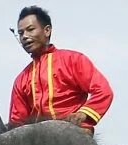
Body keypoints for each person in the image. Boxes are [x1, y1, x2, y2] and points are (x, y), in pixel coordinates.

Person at [9, 6, 113, 134]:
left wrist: (83, 113)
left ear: (47, 31)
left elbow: (103, 91)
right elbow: (17, 122)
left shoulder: (73, 60)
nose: (24, 36)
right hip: (40, 141)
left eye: (30, 30)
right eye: (20, 33)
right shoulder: (21, 80)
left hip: (74, 134)